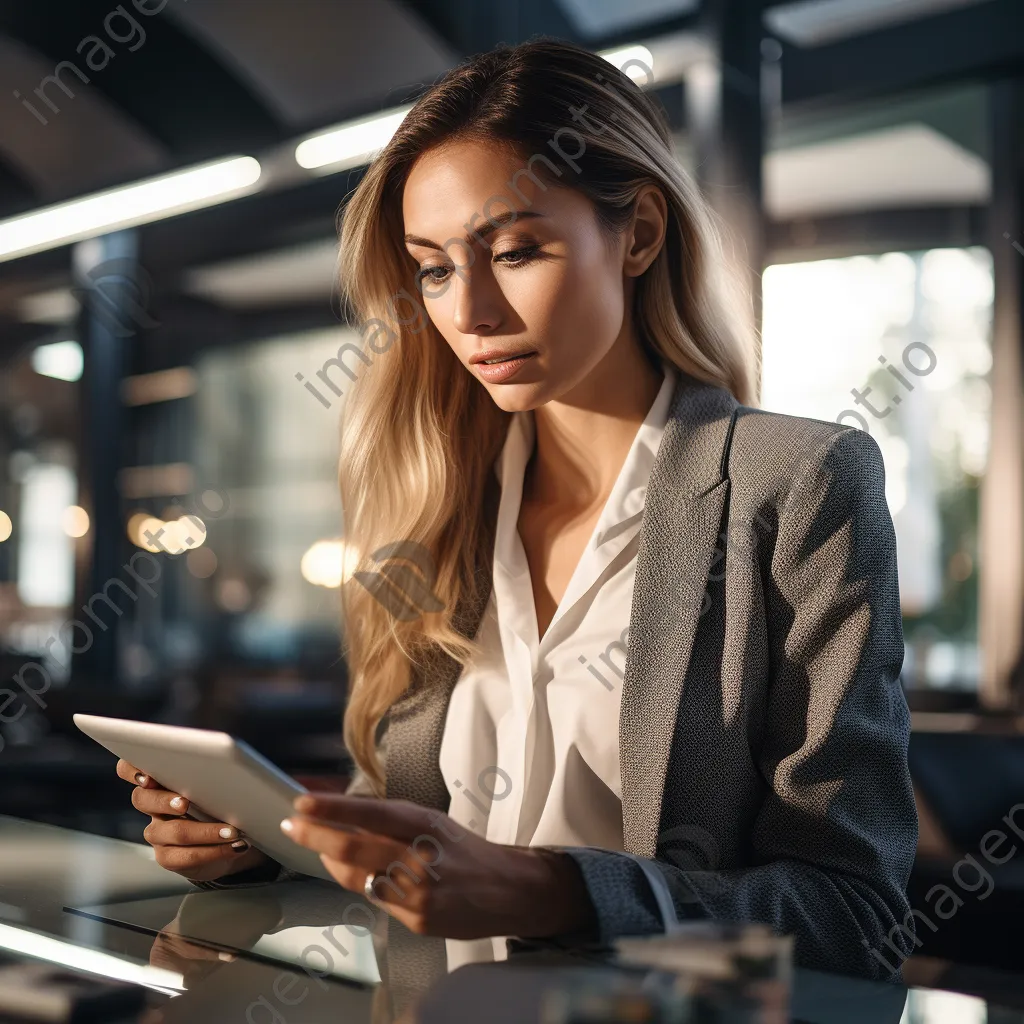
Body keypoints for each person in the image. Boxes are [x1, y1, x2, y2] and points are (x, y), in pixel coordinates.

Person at [116, 37, 918, 981]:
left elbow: (857, 914)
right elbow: (411, 844)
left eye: (515, 250)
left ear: (641, 233)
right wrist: (270, 841)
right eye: (434, 268)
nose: (472, 312)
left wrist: (552, 892)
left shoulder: (800, 482)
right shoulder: (433, 502)